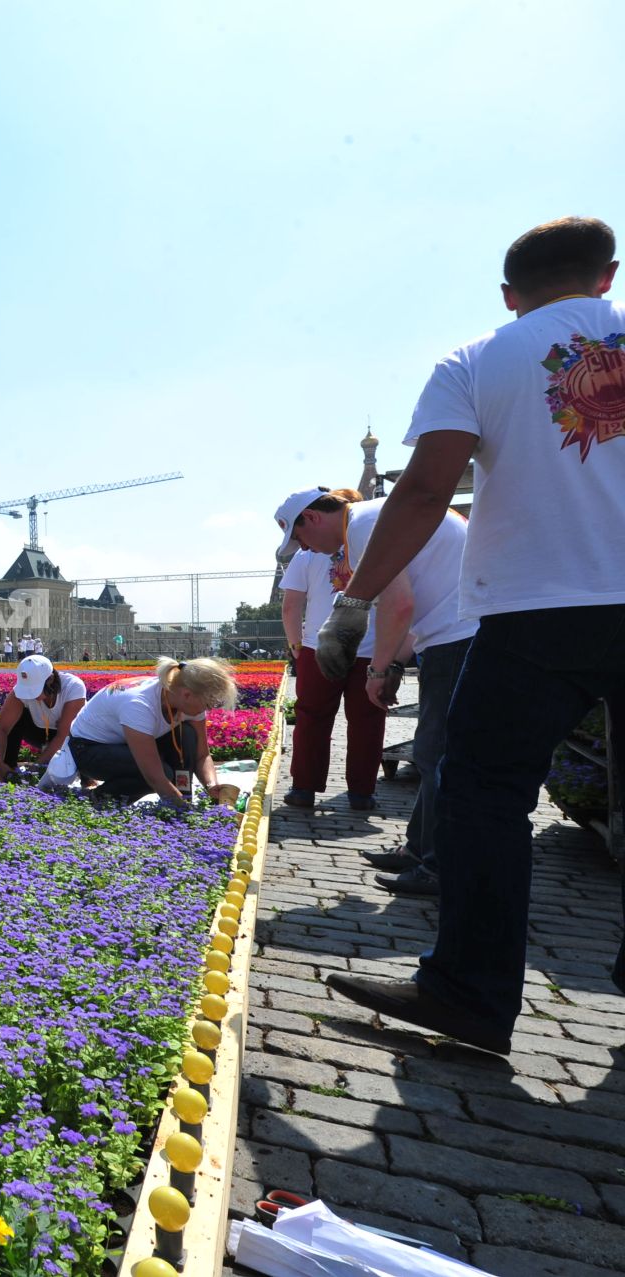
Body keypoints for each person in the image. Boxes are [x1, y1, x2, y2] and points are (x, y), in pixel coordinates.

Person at [315, 217, 625, 1056]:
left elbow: (422, 494)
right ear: (607, 277)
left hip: (538, 609)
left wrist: (355, 605)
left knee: (485, 794)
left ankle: (472, 992)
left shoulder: (479, 357)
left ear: (509, 294)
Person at [277, 484, 474, 895]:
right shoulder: (372, 517)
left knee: (437, 754)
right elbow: (404, 602)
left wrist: (380, 669)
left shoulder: (365, 525)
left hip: (458, 636)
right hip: (451, 633)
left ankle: (437, 866)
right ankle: (420, 850)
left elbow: (399, 604)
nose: (308, 550)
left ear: (311, 518)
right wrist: (395, 660)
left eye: (301, 539)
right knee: (430, 749)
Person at [276, 505, 388, 813]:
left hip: (318, 646)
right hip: (369, 647)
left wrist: (295, 643)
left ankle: (303, 788)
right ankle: (362, 793)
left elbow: (291, 606)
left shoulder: (305, 556)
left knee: (312, 717)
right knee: (368, 721)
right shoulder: (371, 540)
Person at [46, 657, 239, 809]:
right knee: (162, 774)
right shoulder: (139, 705)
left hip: (122, 744)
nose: (209, 709)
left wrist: (212, 786)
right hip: (87, 750)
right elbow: (153, 775)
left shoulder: (185, 699)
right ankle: (97, 800)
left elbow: (202, 754)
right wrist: (186, 814)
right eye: (208, 704)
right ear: (187, 694)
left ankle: (182, 793)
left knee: (187, 735)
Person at [0, 655, 87, 780]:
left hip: (70, 738)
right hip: (40, 733)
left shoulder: (73, 686)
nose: (31, 695)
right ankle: (8, 769)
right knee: (15, 717)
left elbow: (64, 735)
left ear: (50, 680)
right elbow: (2, 729)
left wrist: (37, 766)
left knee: (76, 734)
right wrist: (0, 762)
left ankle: (86, 774)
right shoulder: (18, 692)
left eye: (35, 689)